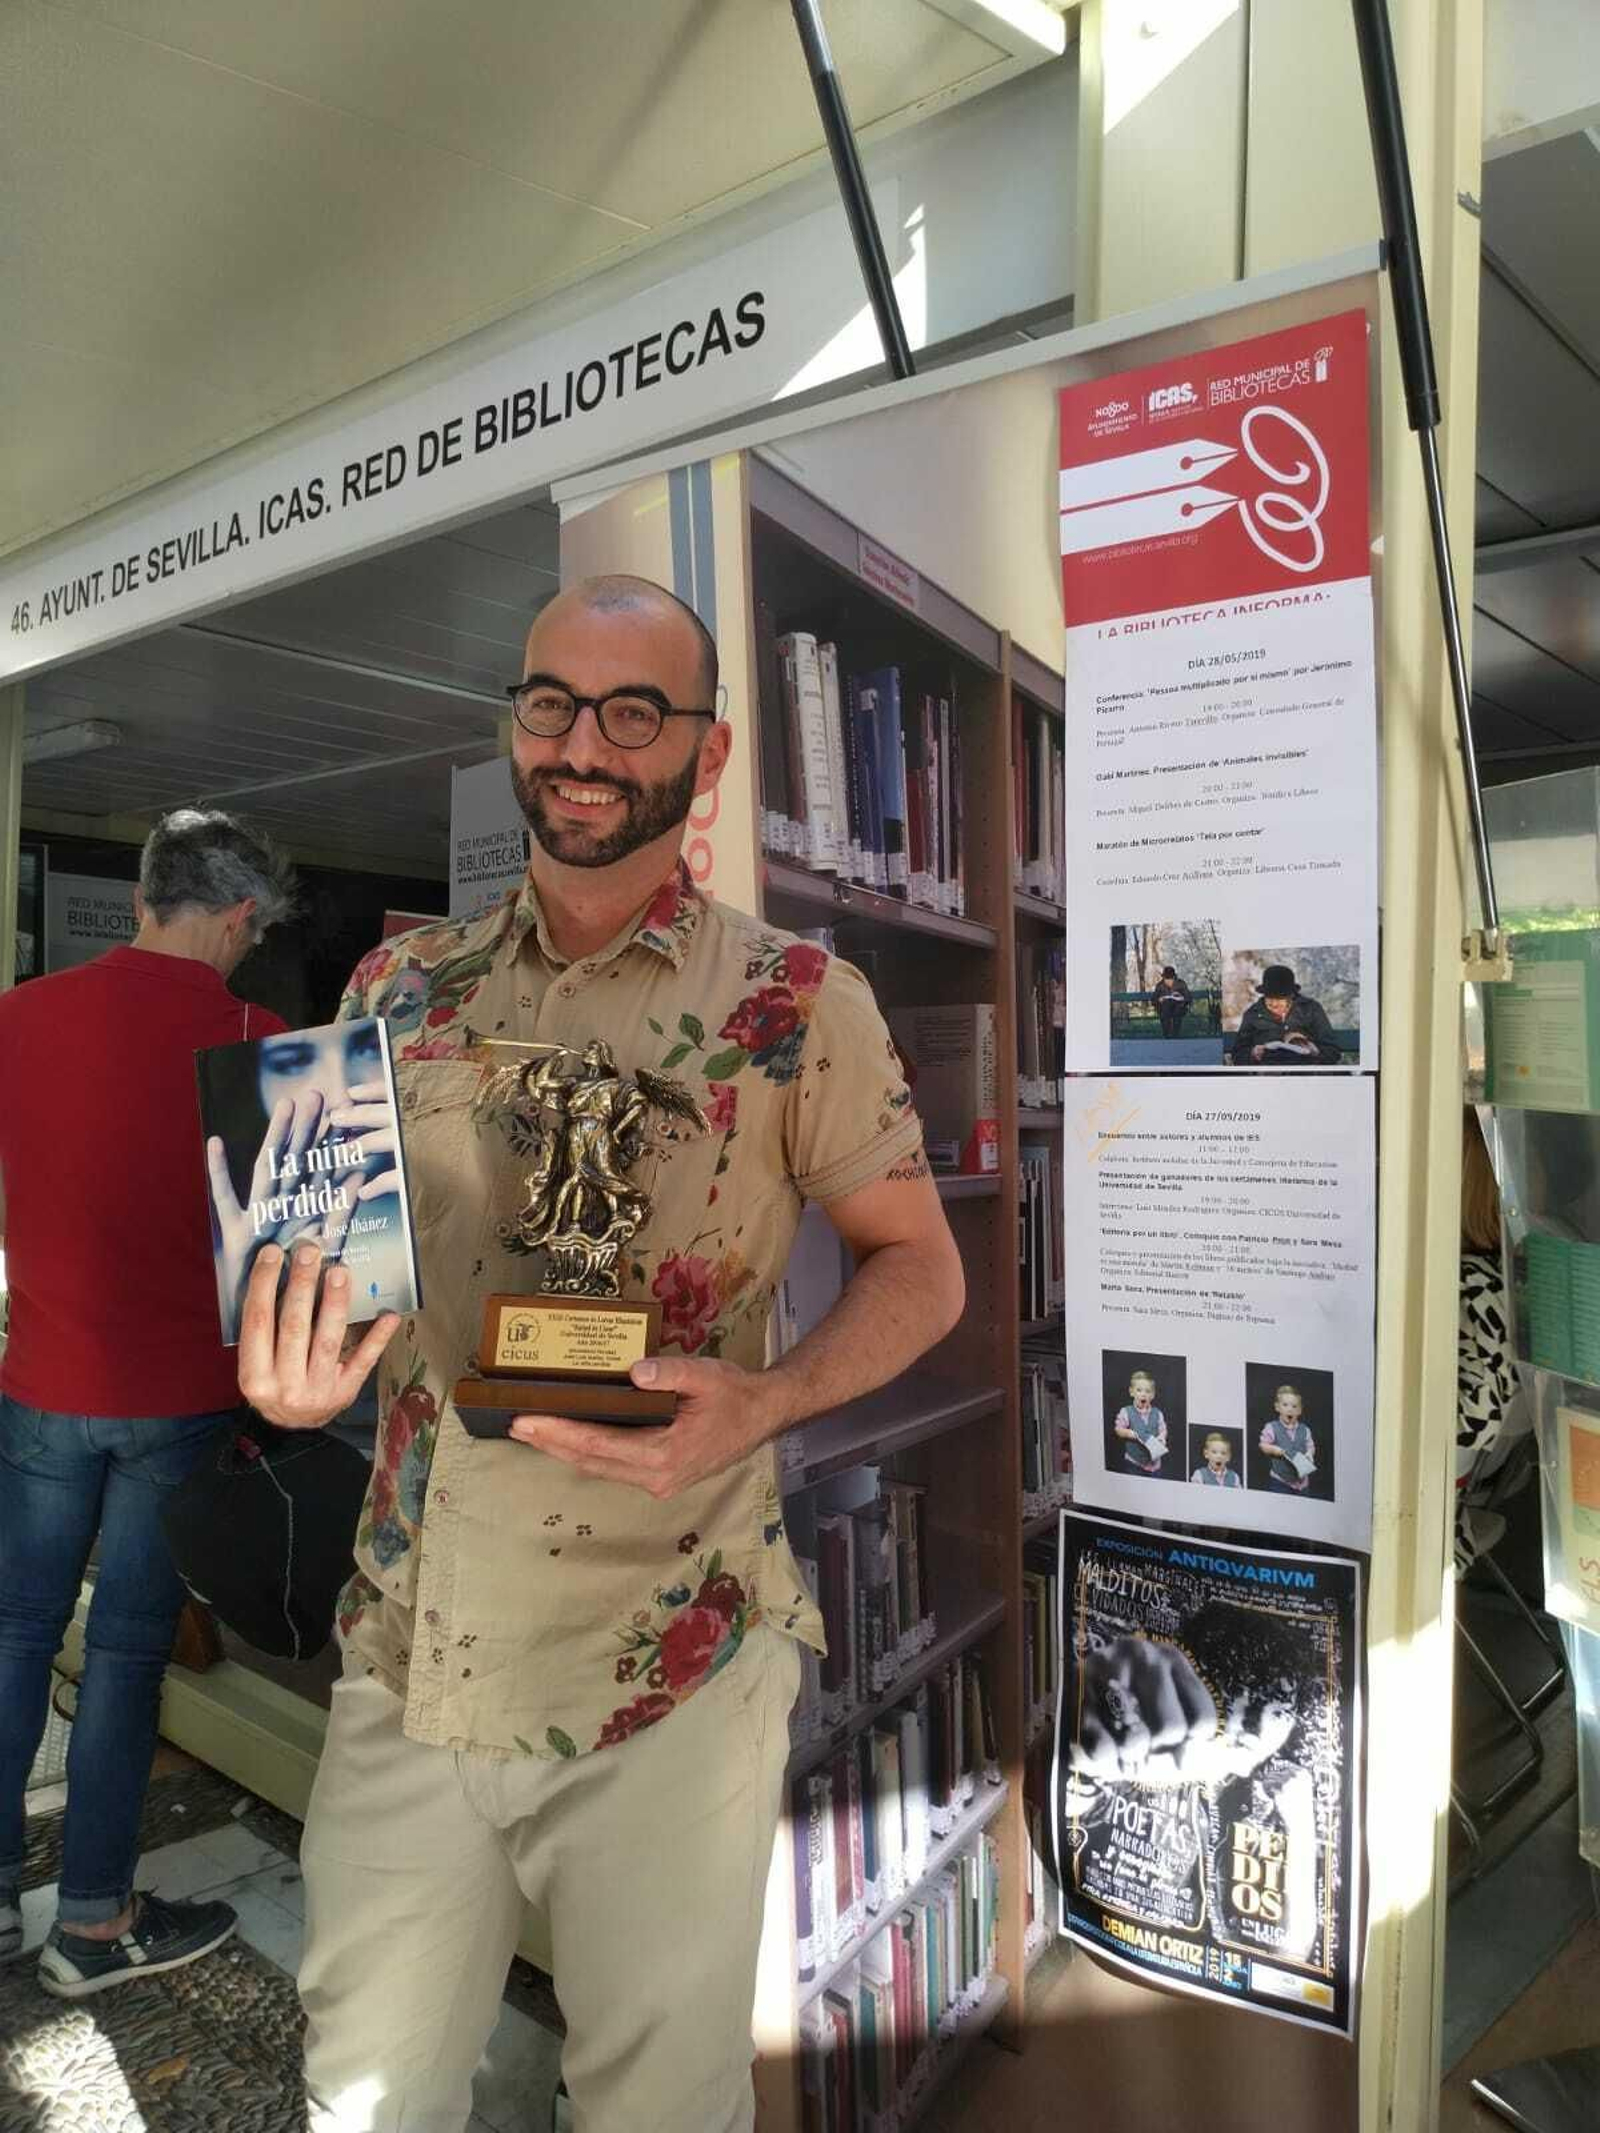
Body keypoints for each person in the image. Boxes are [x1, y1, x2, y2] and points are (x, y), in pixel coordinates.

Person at [235, 574, 967, 2133]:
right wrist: (294, 1376)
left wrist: (768, 1400)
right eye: (553, 701)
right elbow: (332, 1291)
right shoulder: (394, 987)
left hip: (671, 1663)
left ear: (701, 754)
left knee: (658, 2110)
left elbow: (925, 1270)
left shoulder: (796, 1002)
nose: (585, 744)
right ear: (517, 720)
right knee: (365, 2095)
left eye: (634, 712)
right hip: (410, 1649)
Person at [0, 809, 294, 1995]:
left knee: (13, 1636)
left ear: (137, 900)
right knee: (123, 1657)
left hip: (41, 1385)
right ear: (235, 921)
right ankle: (91, 1925)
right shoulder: (258, 1037)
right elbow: (290, 1243)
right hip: (178, 1400)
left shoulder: (17, 1018)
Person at [1229, 964, 1343, 1065]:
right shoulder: (1252, 1014)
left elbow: (1333, 1051)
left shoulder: (1311, 1009)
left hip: (1305, 1075)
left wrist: (1316, 1052)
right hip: (1267, 1075)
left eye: (1279, 998)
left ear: (1291, 996)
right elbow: (1238, 1055)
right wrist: (1253, 1053)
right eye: (1269, 997)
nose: (1273, 1003)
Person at [1257, 1383, 1317, 1495]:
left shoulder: (1305, 1430)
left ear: (1300, 1410)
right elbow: (1263, 1445)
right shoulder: (1271, 1427)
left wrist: (1309, 1453)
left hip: (1302, 1483)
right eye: (1285, 1405)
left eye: (1294, 1406)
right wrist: (1273, 1449)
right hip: (1280, 1481)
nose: (1290, 1410)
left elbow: (1310, 1446)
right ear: (1277, 1407)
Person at [1112, 1368, 1167, 1477]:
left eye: (1147, 1391)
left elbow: (1163, 1429)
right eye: (1139, 1390)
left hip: (1155, 1464)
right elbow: (1118, 1429)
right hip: (1134, 1463)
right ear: (1131, 1392)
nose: (1143, 1394)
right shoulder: (1126, 1411)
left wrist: (1162, 1437)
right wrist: (1128, 1433)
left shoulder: (1158, 1413)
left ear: (1153, 1395)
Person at [1150, 965, 1190, 1040]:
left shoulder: (1181, 984)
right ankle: (1167, 1035)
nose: (1168, 981)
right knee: (1165, 1011)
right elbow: (1153, 999)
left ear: (1174, 978)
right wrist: (1159, 1000)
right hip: (1164, 1008)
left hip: (1179, 1007)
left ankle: (1175, 1035)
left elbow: (1188, 997)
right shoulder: (1160, 986)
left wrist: (1181, 998)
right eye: (1166, 979)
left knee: (1177, 1011)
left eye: (1170, 979)